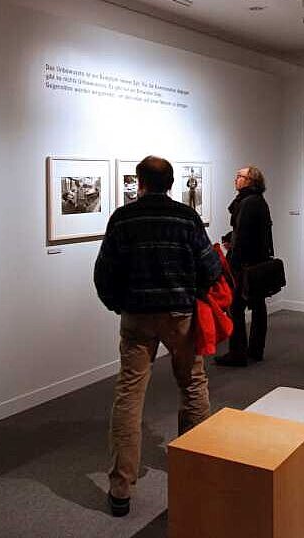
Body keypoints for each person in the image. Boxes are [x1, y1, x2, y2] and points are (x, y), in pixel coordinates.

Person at [94, 156, 222, 517]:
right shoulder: (186, 217)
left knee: (129, 395)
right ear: (171, 182)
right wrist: (189, 291)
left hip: (137, 317)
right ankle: (196, 469)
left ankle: (120, 488)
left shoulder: (123, 218)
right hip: (180, 314)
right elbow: (210, 268)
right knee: (193, 385)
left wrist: (119, 304)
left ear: (141, 182)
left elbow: (104, 273)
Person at [215, 166, 274, 367]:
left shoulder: (248, 202)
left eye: (240, 176)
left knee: (235, 308)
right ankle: (255, 350)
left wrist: (232, 262)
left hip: (245, 264)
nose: (236, 179)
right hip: (257, 260)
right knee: (258, 305)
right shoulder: (257, 200)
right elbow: (250, 232)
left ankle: (237, 353)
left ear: (251, 180)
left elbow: (243, 235)